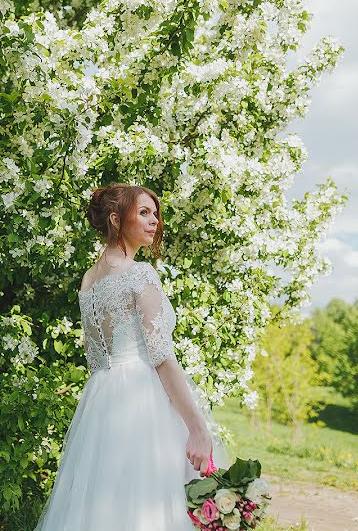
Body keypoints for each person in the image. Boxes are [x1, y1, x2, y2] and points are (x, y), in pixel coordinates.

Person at [33, 182, 231, 530]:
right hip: (142, 401)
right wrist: (198, 430)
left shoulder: (89, 280)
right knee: (146, 509)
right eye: (143, 212)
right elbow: (162, 358)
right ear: (115, 218)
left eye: (154, 213)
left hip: (102, 403)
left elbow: (95, 358)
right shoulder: (138, 274)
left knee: (103, 506)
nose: (154, 221)